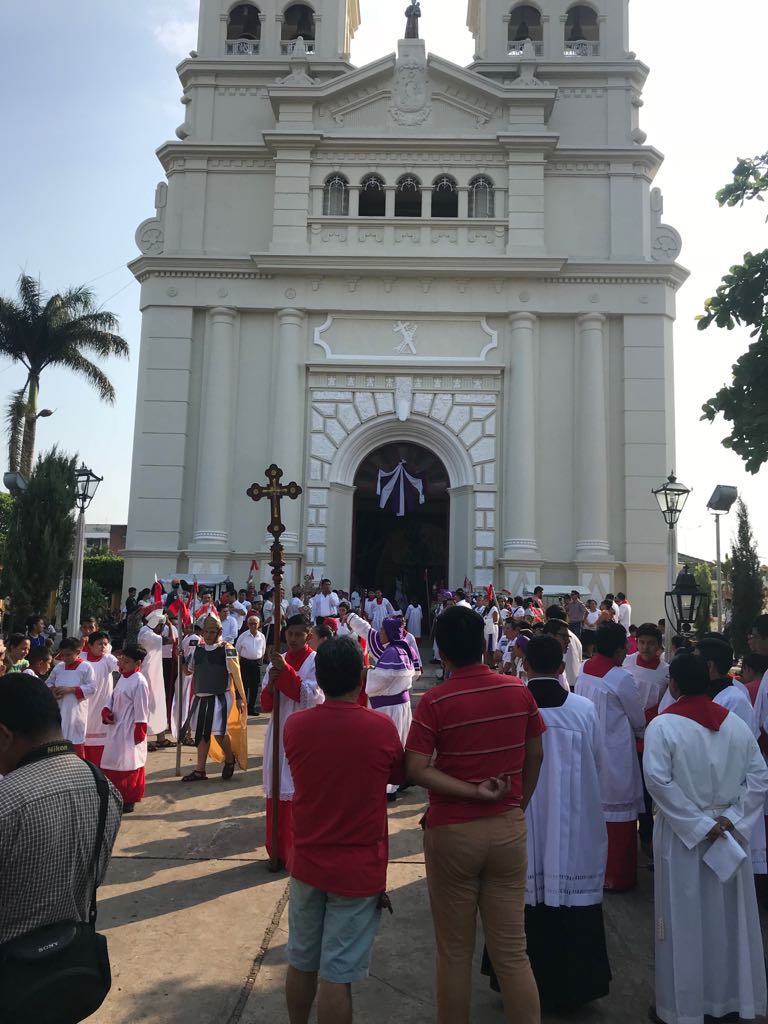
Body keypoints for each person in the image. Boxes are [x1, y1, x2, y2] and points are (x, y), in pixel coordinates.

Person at [406, 605, 545, 1024]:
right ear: (484, 647)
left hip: (453, 832)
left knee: (453, 953)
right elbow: (535, 753)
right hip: (507, 830)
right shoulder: (517, 691)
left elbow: (415, 769)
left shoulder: (435, 700)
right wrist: (516, 805)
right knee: (512, 953)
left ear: (442, 653)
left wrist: (470, 791)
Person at [482, 635, 610, 1011]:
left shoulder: (507, 706)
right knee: (568, 901)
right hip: (571, 823)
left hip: (522, 817)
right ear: (560, 668)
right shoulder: (584, 710)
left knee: (520, 899)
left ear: (524, 665)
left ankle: (515, 985)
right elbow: (598, 763)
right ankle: (573, 988)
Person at [283, 637, 405, 1024]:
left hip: (308, 859)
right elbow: (399, 773)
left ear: (319, 677)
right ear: (362, 677)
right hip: (357, 867)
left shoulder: (296, 726)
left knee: (302, 959)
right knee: (336, 974)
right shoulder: (380, 729)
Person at [644, 653, 768, 1024]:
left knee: (684, 923)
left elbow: (657, 782)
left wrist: (699, 826)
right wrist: (730, 819)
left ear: (675, 685)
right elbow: (760, 777)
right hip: (729, 837)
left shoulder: (663, 727)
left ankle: (682, 1008)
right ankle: (728, 1000)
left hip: (686, 841)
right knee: (727, 922)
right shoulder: (735, 726)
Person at [0, 676, 122, 944]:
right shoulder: (104, 789)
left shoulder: (7, 802)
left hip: (12, 969)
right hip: (71, 960)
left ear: (4, 735)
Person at [575, 623, 645, 891]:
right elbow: (638, 719)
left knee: (594, 810)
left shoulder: (585, 669)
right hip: (614, 753)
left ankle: (593, 871)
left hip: (588, 748)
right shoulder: (621, 677)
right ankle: (617, 876)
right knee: (619, 813)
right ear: (619, 650)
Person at [261, 615, 323, 864]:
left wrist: (285, 673)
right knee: (277, 786)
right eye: (290, 634)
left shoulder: (316, 661)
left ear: (308, 635)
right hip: (278, 729)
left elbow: (312, 697)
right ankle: (276, 848)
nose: (294, 639)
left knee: (299, 789)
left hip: (305, 732)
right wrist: (272, 684)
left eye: (299, 634)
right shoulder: (279, 660)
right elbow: (266, 704)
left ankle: (296, 851)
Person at [346, 611, 420, 801]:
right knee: (399, 744)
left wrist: (367, 673)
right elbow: (415, 673)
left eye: (383, 629)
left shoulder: (392, 652)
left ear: (389, 632)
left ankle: (388, 788)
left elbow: (382, 678)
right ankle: (397, 781)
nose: (379, 632)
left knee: (385, 747)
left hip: (388, 708)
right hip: (401, 704)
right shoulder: (404, 648)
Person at [622, 622, 669, 859]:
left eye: (651, 643)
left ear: (659, 646)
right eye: (642, 642)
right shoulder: (627, 663)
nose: (646, 648)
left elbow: (666, 704)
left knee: (646, 791)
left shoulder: (665, 672)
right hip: (625, 734)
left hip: (650, 735)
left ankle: (648, 837)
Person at [183, 616, 247, 782]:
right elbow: (187, 671)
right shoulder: (197, 650)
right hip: (200, 696)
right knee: (201, 734)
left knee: (218, 732)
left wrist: (239, 697)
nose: (209, 635)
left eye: (213, 632)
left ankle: (229, 758)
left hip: (220, 697)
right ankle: (200, 770)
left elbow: (237, 675)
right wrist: (181, 657)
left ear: (219, 632)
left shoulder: (227, 649)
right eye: (206, 632)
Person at [100, 643, 150, 813]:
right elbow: (113, 698)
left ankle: (129, 798)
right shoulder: (123, 677)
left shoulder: (139, 681)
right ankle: (114, 794)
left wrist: (140, 729)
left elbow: (142, 709)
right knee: (114, 760)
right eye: (122, 660)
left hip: (129, 728)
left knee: (129, 762)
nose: (122, 664)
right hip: (116, 727)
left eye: (127, 662)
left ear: (138, 663)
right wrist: (107, 710)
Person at [45, 637, 98, 758]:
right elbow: (48, 682)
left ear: (78, 652)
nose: (65, 658)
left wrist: (72, 690)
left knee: (75, 741)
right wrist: (53, 690)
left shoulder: (86, 667)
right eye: (62, 655)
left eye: (68, 655)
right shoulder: (59, 667)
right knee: (59, 740)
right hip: (59, 709)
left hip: (76, 712)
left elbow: (92, 687)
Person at [137, 608, 173, 749]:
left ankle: (161, 737)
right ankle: (144, 740)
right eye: (161, 626)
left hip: (153, 672)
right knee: (147, 705)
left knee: (157, 703)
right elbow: (172, 640)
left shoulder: (146, 631)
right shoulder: (150, 636)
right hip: (148, 674)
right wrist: (169, 625)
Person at [83, 630, 120, 767]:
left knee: (101, 744)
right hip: (84, 705)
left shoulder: (108, 659)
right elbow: (59, 659)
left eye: (105, 644)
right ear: (90, 645)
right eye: (99, 644)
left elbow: (121, 667)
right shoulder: (81, 657)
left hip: (101, 706)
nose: (103, 647)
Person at [236, 614, 266, 715]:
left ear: (259, 624)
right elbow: (237, 650)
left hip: (256, 663)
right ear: (248, 624)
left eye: (255, 623)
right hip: (245, 663)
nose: (253, 625)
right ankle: (243, 707)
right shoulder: (243, 636)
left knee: (254, 687)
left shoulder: (262, 636)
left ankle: (251, 708)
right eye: (250, 623)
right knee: (244, 686)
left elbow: (263, 650)